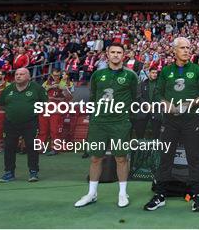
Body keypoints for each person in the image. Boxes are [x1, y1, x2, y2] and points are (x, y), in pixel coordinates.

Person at [144, 37, 199, 212]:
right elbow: (157, 94)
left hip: (191, 121)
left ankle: (197, 196)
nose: (187, 50)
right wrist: (166, 104)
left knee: (194, 158)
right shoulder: (165, 71)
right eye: (182, 48)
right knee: (165, 158)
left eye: (188, 48)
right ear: (174, 51)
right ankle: (160, 195)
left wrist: (189, 104)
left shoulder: (197, 70)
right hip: (170, 121)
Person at [74, 43, 138, 208]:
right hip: (99, 122)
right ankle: (91, 193)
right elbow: (94, 96)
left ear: (123, 55)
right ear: (107, 54)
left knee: (121, 158)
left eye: (119, 52)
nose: (116, 55)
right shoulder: (97, 75)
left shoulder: (130, 76)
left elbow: (133, 97)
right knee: (96, 158)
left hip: (120, 122)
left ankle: (122, 193)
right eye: (113, 52)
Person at [0, 68, 48, 183]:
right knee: (9, 148)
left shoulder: (37, 88)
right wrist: (14, 111)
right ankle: (9, 173)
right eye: (16, 74)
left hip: (30, 123)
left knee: (31, 147)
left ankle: (33, 172)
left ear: (28, 77)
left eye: (21, 74)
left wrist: (31, 112)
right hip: (10, 123)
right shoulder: (8, 89)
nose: (18, 76)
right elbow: (1, 104)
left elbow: (45, 103)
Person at [39, 68, 73, 155]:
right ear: (51, 75)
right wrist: (50, 87)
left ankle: (55, 149)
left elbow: (69, 97)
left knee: (55, 131)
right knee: (42, 130)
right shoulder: (46, 83)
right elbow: (40, 94)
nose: (55, 77)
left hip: (56, 111)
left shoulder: (67, 83)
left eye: (58, 75)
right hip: (45, 110)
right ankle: (40, 148)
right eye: (54, 75)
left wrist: (62, 88)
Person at [134, 67, 161, 139]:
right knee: (140, 132)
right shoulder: (143, 83)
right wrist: (146, 104)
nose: (155, 74)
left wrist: (153, 105)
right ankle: (140, 147)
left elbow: (162, 96)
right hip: (143, 110)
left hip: (155, 110)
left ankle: (155, 149)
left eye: (156, 73)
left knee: (156, 133)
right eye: (153, 73)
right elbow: (139, 96)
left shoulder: (160, 84)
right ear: (149, 73)